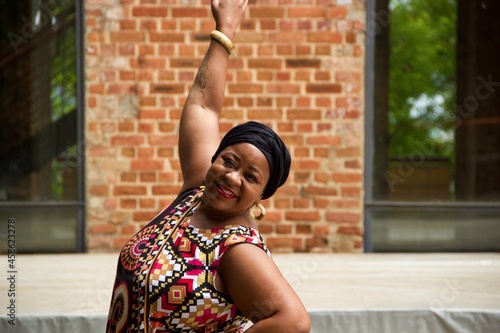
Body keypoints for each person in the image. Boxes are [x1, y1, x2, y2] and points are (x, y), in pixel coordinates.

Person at [106, 0, 311, 332]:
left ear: (261, 195)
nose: (231, 177)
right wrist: (225, 30)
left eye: (250, 177)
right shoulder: (196, 191)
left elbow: (293, 322)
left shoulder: (237, 248)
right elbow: (204, 106)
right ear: (215, 158)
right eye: (228, 161)